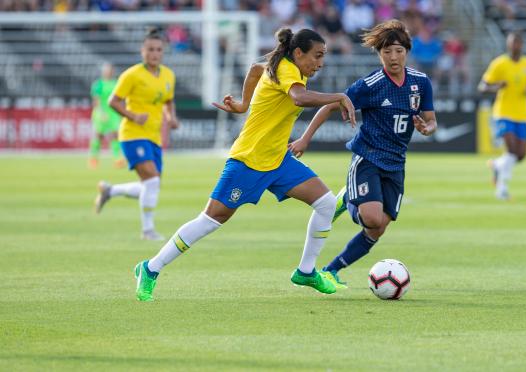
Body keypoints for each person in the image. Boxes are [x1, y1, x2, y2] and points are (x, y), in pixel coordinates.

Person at [132, 28, 357, 301]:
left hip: (277, 159)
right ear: (298, 53)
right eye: (317, 56)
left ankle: (306, 271)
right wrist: (338, 96)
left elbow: (254, 69)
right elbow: (299, 98)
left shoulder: (285, 68)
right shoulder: (287, 71)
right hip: (249, 160)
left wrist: (243, 104)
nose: (320, 63)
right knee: (211, 220)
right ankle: (151, 268)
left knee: (325, 203)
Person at [288, 20, 437, 288]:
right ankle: (348, 198)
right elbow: (331, 106)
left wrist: (427, 128)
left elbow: (430, 119)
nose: (393, 57)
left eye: (398, 51)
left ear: (407, 51)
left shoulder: (421, 83)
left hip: (396, 164)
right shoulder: (371, 84)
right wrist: (305, 138)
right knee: (370, 216)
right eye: (387, 51)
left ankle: (332, 270)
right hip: (367, 157)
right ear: (379, 53)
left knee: (377, 227)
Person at [94, 28, 179, 240]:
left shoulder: (168, 75)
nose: (154, 54)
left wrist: (171, 117)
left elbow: (168, 100)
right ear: (143, 51)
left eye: (159, 50)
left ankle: (109, 191)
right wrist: (132, 115)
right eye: (150, 49)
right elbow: (113, 101)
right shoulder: (131, 75)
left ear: (163, 52)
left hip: (154, 137)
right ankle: (148, 231)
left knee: (151, 186)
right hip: (132, 134)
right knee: (151, 183)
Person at [478, 31, 526, 200]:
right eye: (511, 43)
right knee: (511, 150)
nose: (514, 46)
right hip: (503, 112)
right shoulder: (499, 63)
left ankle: (497, 164)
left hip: (522, 113)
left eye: (517, 43)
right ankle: (502, 189)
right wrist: (496, 86)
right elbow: (482, 87)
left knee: (521, 154)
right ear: (508, 44)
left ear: (521, 45)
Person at [88, 62, 124, 169]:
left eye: (110, 70)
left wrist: (121, 113)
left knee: (115, 136)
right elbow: (96, 100)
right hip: (100, 113)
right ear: (103, 71)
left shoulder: (116, 83)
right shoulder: (98, 84)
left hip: (113, 113)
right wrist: (101, 112)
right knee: (98, 136)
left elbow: (120, 99)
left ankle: (118, 159)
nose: (109, 72)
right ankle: (93, 158)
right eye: (107, 70)